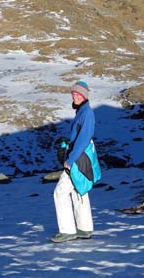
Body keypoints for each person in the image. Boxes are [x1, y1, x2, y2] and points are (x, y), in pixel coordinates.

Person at [50, 81, 97, 243]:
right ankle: (84, 228)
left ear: (84, 96)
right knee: (79, 189)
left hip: (78, 158)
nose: (75, 96)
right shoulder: (83, 112)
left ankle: (67, 230)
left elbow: (83, 139)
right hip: (82, 157)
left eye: (78, 94)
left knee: (60, 192)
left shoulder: (86, 114)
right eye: (73, 94)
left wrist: (70, 160)